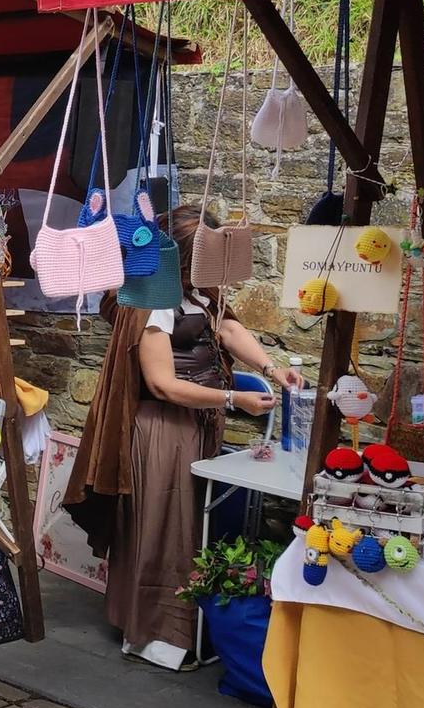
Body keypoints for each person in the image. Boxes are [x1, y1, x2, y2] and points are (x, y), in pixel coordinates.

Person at [102, 205, 304, 670]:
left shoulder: (198, 293)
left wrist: (273, 369)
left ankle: (183, 626)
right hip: (162, 431)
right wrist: (233, 400)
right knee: (164, 526)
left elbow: (226, 328)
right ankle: (155, 635)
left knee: (189, 524)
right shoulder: (152, 300)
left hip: (196, 424)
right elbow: (162, 384)